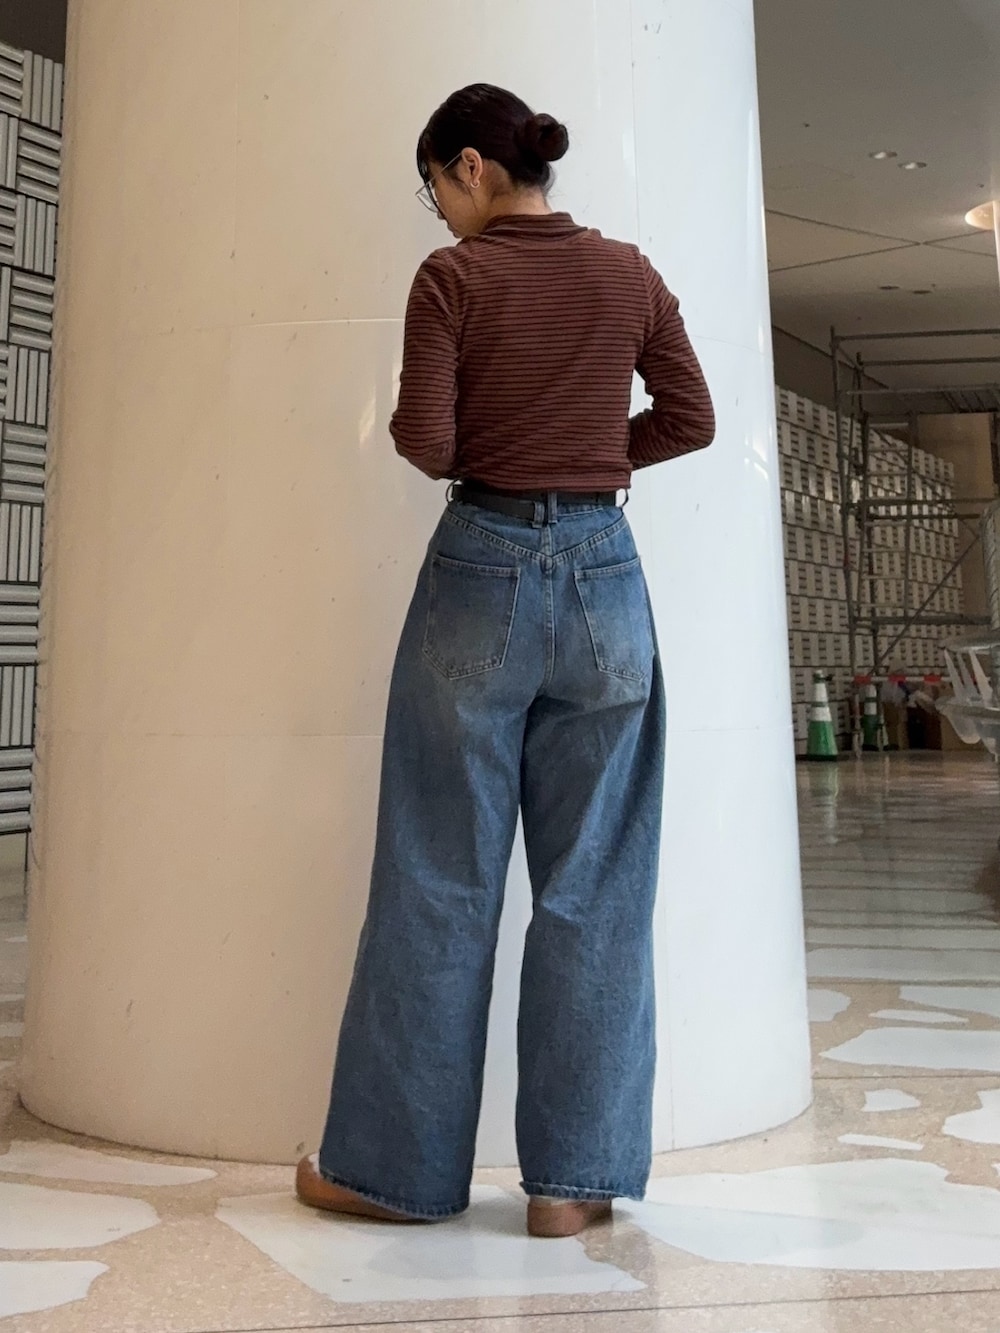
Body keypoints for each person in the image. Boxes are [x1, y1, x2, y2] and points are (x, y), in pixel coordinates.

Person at [296, 83, 715, 1240]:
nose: (438, 210)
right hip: (604, 576)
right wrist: (587, 452)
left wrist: (507, 449)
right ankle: (573, 1185)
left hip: (479, 566)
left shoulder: (453, 279)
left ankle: (391, 1176)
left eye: (434, 186)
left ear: (471, 166)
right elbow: (690, 415)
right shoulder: (628, 273)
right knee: (598, 883)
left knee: (437, 873)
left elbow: (425, 440)